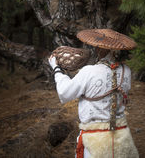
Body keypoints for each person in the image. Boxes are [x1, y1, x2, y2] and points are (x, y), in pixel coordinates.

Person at [49, 28, 139, 158]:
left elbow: (64, 93)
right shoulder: (126, 71)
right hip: (122, 135)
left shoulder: (89, 72)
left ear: (99, 49)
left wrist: (56, 68)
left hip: (95, 138)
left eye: (96, 47)